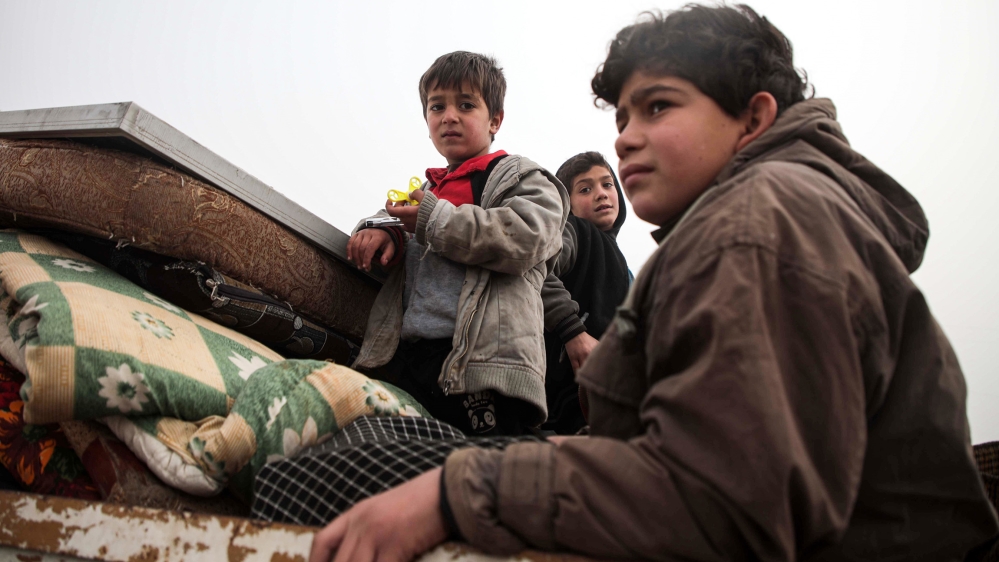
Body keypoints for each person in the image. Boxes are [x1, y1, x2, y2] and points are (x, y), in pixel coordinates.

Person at [311, 6, 999, 561]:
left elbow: (726, 500)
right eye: (621, 118)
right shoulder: (742, 222)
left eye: (658, 108)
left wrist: (456, 493)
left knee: (312, 479)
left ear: (752, 120)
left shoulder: (760, 224)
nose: (623, 140)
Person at [345, 51, 568, 437]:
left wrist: (433, 219)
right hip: (414, 358)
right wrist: (386, 232)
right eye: (437, 106)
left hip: (483, 366)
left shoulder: (521, 177)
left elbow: (528, 235)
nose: (449, 116)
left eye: (466, 105)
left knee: (481, 478)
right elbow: (401, 226)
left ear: (494, 120)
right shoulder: (428, 189)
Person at [541, 151, 630, 434]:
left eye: (607, 184)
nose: (601, 194)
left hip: (614, 394)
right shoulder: (573, 231)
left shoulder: (625, 267)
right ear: (566, 205)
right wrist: (573, 330)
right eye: (586, 189)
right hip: (570, 392)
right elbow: (536, 268)